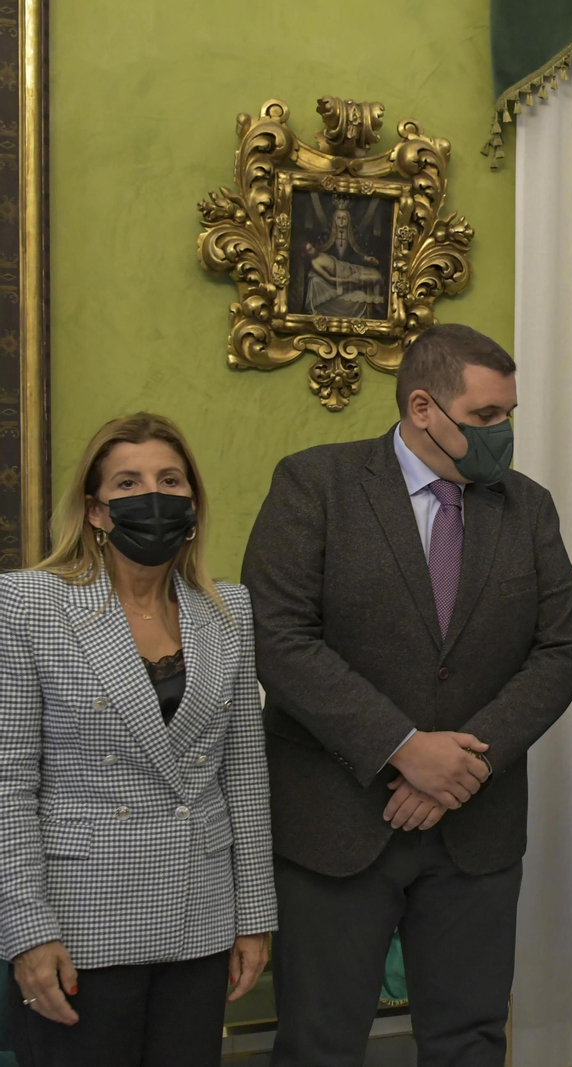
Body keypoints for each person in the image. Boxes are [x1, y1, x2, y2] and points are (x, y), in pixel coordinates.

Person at [241, 324, 572, 1066]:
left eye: (510, 414)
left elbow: (559, 651)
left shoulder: (528, 507)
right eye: (487, 417)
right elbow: (279, 637)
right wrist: (402, 747)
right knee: (319, 1043)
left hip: (476, 831)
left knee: (470, 1039)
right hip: (336, 827)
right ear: (423, 407)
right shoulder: (315, 484)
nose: (504, 433)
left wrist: (463, 766)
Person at [0, 413, 274, 1066]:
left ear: (192, 502)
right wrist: (27, 932)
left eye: (169, 479)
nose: (153, 495)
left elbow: (244, 770)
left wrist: (255, 916)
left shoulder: (229, 607)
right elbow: (8, 781)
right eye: (128, 481)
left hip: (199, 918)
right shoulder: (28, 603)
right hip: (80, 922)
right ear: (96, 510)